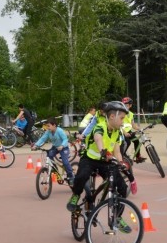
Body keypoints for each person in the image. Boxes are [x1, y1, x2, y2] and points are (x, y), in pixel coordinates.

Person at [67, 102, 136, 233]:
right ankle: (75, 195)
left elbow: (117, 150)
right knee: (81, 176)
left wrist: (121, 163)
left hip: (106, 162)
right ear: (111, 116)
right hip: (90, 159)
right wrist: (103, 152)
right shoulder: (100, 126)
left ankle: (117, 217)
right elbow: (98, 138)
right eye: (121, 118)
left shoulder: (117, 132)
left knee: (122, 188)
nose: (123, 122)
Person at [31, 117, 75, 185]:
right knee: (49, 156)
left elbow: (65, 139)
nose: (47, 127)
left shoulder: (59, 131)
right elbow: (42, 139)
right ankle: (56, 172)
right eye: (47, 126)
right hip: (55, 147)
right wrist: (36, 145)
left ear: (54, 125)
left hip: (64, 148)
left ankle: (71, 176)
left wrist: (62, 146)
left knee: (65, 162)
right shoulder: (48, 132)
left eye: (49, 126)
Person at [121, 97, 145, 163]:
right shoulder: (120, 113)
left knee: (137, 141)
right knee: (127, 142)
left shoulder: (131, 114)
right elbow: (119, 124)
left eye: (126, 105)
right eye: (123, 105)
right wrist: (124, 132)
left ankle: (138, 157)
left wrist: (140, 129)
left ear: (130, 105)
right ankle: (122, 155)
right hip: (121, 131)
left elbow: (133, 125)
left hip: (128, 131)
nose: (125, 106)